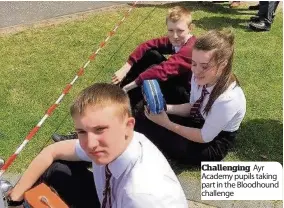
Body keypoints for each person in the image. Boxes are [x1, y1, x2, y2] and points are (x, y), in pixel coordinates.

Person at [7, 83, 188, 208]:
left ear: (128, 125)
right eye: (82, 132)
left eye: (100, 129)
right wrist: (15, 198)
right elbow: (52, 151)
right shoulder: (118, 143)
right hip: (109, 200)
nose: (90, 144)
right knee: (56, 168)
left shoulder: (143, 196)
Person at [52, 6, 197, 142]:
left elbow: (162, 71)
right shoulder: (178, 41)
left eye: (180, 30)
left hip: (185, 100)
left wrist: (129, 86)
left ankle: (106, 127)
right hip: (176, 85)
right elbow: (146, 45)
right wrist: (126, 66)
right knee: (150, 54)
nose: (175, 36)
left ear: (190, 29)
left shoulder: (190, 49)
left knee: (152, 71)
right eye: (171, 30)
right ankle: (116, 102)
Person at [134, 29, 246, 166]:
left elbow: (204, 136)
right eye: (193, 63)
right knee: (146, 114)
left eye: (204, 66)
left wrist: (166, 123)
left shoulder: (228, 99)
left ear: (223, 64)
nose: (196, 71)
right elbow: (193, 106)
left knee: (160, 132)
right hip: (199, 119)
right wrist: (165, 108)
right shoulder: (199, 75)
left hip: (213, 141)